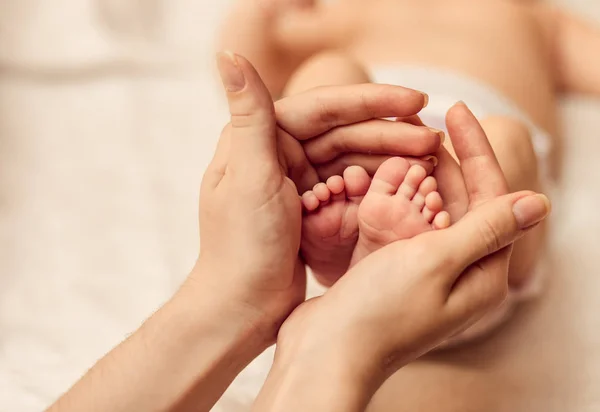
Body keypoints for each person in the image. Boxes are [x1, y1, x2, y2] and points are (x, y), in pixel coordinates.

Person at [46, 54, 550, 412]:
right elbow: (262, 49)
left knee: (508, 138)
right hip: (357, 139)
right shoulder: (334, 15)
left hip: (459, 146)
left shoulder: (530, 15)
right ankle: (380, 255)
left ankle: (447, 249)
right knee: (326, 67)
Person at [218, 0, 598, 341]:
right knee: (327, 70)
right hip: (368, 133)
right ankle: (362, 225)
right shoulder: (349, 10)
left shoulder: (537, 18)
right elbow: (261, 65)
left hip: (484, 163)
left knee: (507, 139)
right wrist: (261, 13)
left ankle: (451, 233)